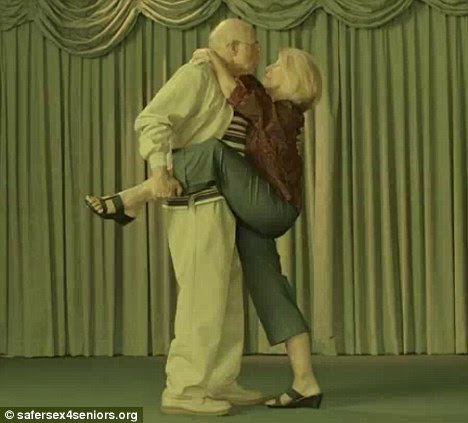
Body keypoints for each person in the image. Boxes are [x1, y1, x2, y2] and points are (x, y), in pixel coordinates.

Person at [86, 20, 323, 412]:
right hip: (198, 200)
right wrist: (159, 169)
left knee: (225, 299)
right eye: (253, 45)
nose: (261, 53)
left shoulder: (254, 93)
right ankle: (185, 388)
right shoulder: (197, 75)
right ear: (232, 48)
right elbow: (152, 120)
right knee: (203, 297)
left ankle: (218, 381)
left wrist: (216, 60)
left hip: (231, 204)